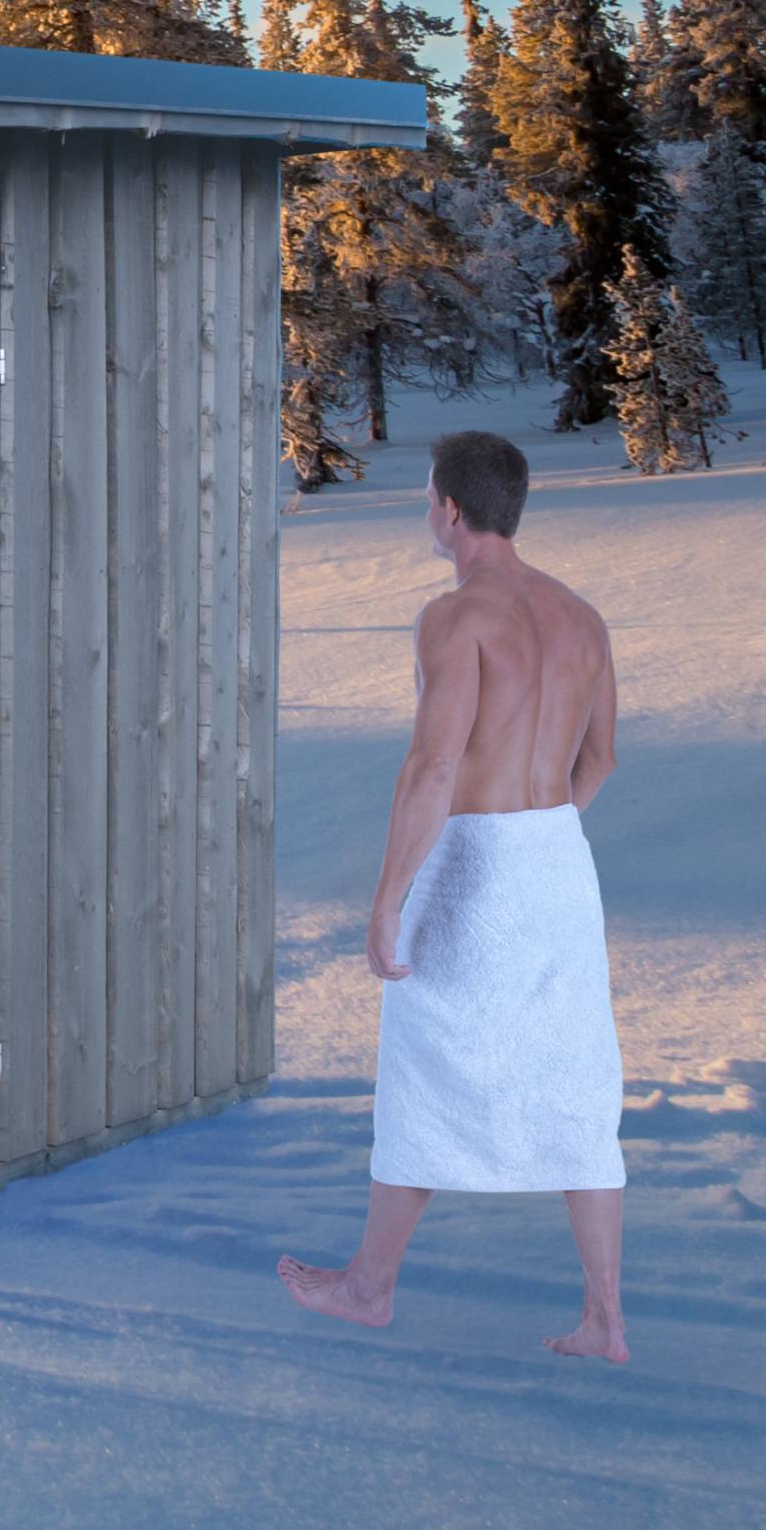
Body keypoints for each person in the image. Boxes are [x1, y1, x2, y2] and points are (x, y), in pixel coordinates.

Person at [278, 428, 629, 1362]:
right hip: (558, 863)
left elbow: (434, 765)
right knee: (578, 1085)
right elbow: (601, 760)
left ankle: (368, 1288)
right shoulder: (584, 618)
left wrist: (390, 895)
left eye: (426, 497)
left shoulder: (457, 616)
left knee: (425, 1074)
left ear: (449, 509)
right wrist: (542, 829)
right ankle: (605, 1318)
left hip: (473, 865)